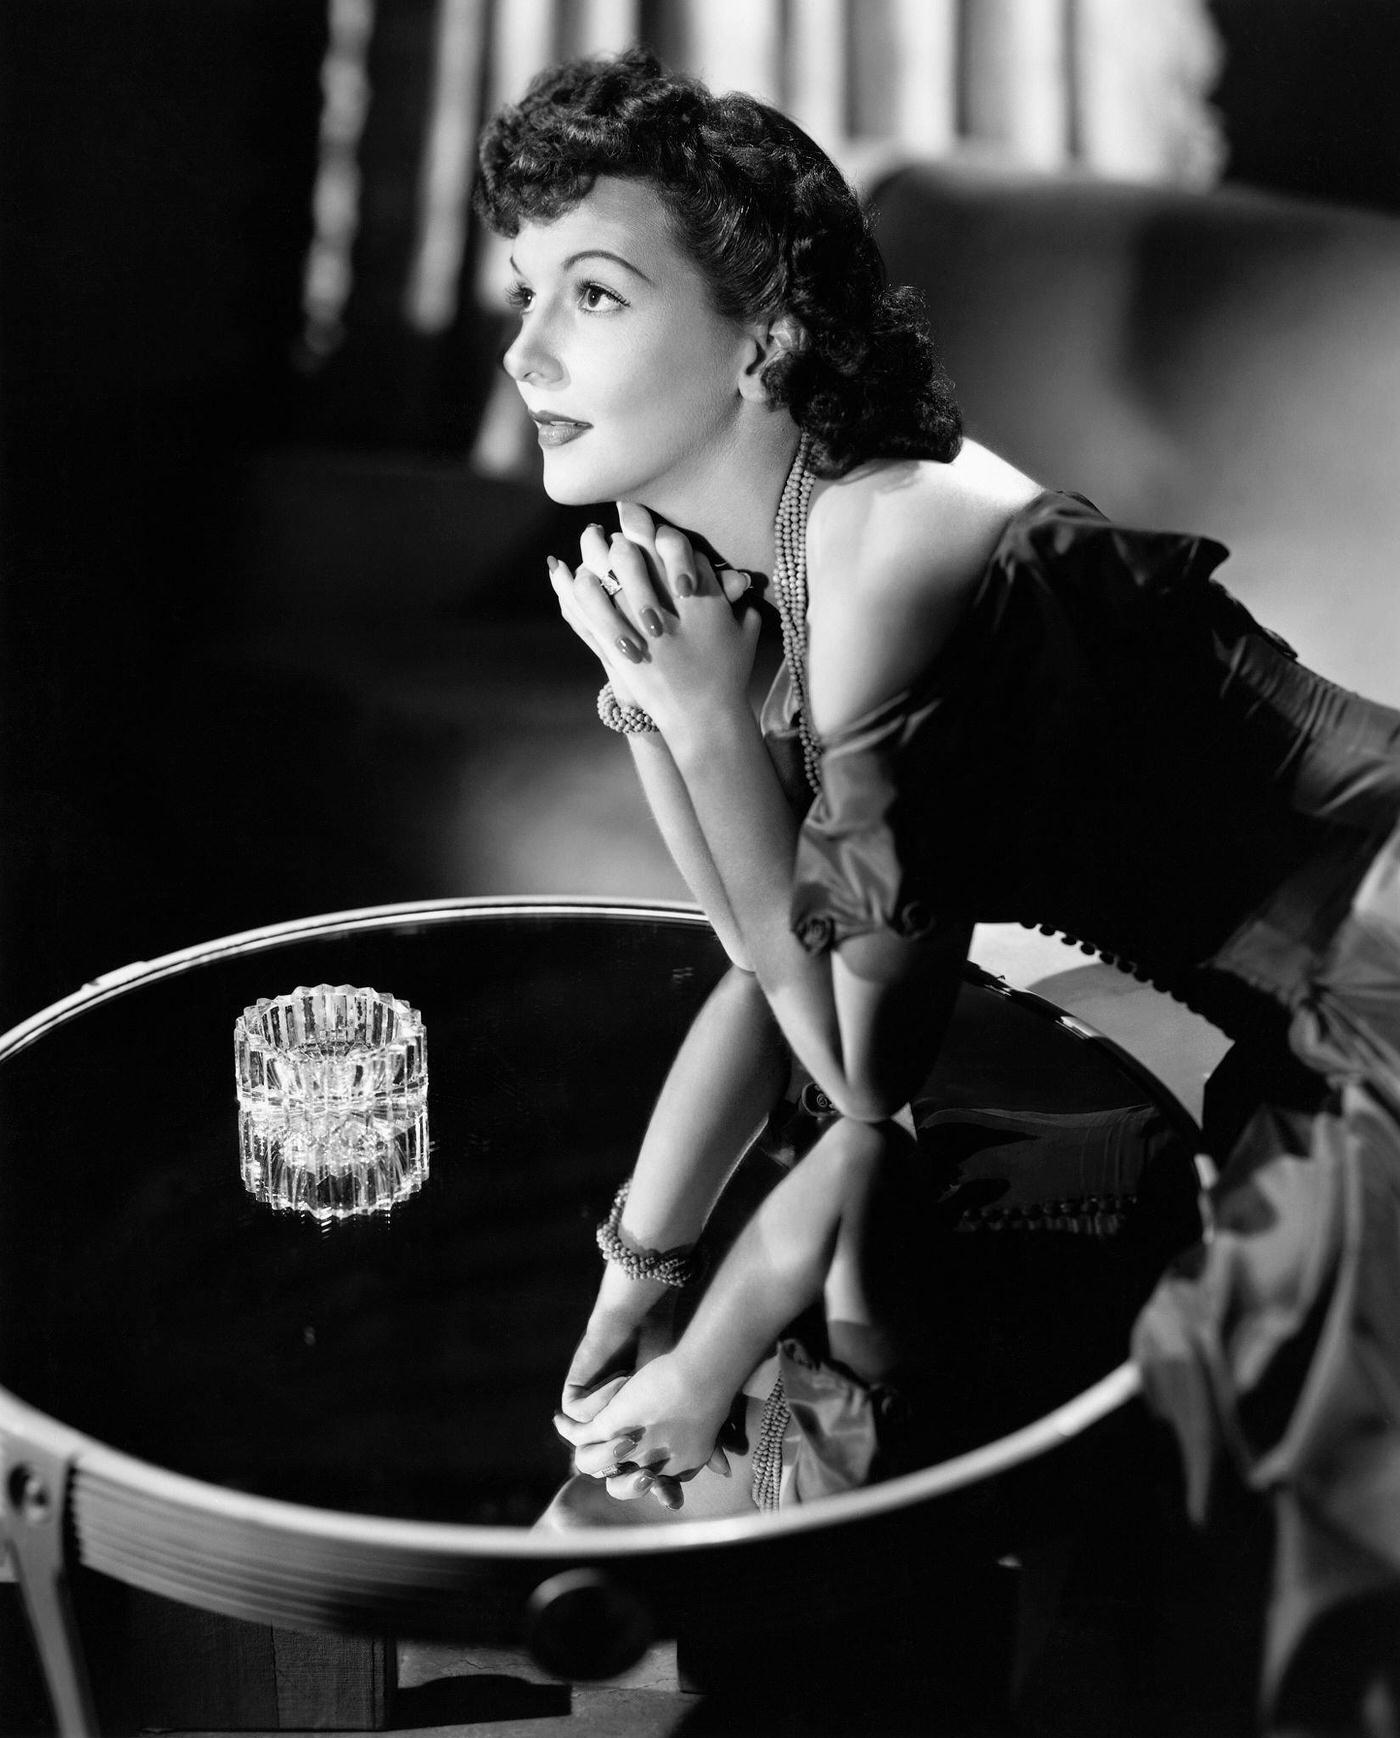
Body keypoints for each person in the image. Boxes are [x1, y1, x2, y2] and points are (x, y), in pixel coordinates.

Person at [474, 46, 1400, 1715]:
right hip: (1304, 1004)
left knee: (1244, 1563)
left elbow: (858, 1069)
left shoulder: (888, 552)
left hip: (1383, 964)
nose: (527, 349)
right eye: (522, 293)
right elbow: (760, 962)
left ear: (763, 332)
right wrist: (639, 1268)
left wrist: (692, 720)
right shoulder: (777, 552)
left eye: (592, 295)